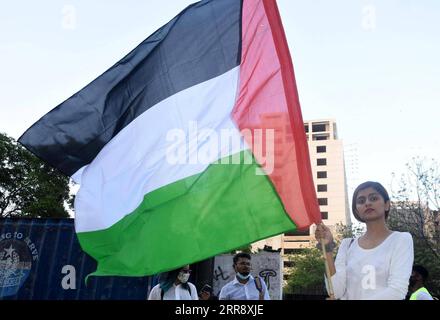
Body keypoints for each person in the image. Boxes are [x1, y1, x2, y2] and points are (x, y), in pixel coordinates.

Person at [314, 181, 414, 300]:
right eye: (361, 201)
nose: (367, 203)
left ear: (387, 204)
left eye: (373, 198)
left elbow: (397, 291)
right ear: (356, 211)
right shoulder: (347, 245)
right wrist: (328, 249)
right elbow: (336, 291)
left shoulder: (401, 239)